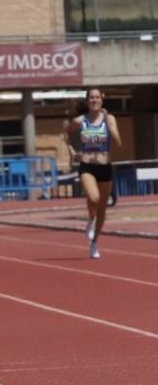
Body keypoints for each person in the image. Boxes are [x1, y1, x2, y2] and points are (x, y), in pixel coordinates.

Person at [65, 88, 121, 259]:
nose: (94, 100)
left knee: (102, 209)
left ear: (102, 100)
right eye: (91, 97)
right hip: (87, 165)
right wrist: (71, 151)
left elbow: (118, 142)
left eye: (97, 97)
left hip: (105, 166)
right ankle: (90, 219)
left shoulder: (109, 119)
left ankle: (94, 243)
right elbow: (67, 133)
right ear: (87, 100)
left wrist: (111, 128)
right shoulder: (80, 120)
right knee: (94, 198)